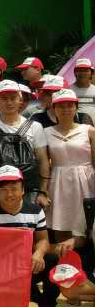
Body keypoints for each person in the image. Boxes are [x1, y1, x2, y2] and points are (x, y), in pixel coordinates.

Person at [0, 165, 63, 307]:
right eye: (3, 190)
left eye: (14, 189)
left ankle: (48, 305)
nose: (9, 194)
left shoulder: (36, 211)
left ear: (22, 190)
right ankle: (36, 299)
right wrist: (9, 235)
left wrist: (38, 254)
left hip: (26, 263)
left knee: (52, 260)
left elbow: (43, 240)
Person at [0, 80, 49, 206]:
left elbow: (43, 159)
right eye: (4, 98)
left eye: (13, 98)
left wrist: (43, 191)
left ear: (20, 100)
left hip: (29, 191)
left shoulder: (35, 127)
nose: (9, 102)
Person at [41, 88, 95, 245]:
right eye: (61, 106)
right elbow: (44, 162)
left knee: (88, 225)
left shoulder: (89, 130)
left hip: (87, 181)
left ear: (76, 107)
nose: (65, 109)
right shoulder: (45, 132)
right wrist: (43, 190)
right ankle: (65, 259)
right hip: (58, 182)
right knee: (61, 224)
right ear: (54, 108)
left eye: (70, 105)